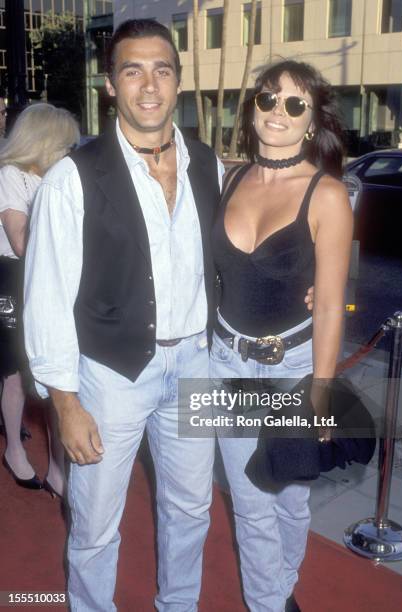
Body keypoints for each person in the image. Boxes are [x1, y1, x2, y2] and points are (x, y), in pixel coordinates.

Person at [24, 19, 222, 611]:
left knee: (191, 509)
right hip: (109, 375)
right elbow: (47, 296)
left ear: (179, 82)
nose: (149, 84)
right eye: (132, 70)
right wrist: (64, 401)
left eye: (162, 69)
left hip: (194, 366)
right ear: (111, 84)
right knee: (95, 523)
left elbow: (227, 258)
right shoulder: (72, 177)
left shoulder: (206, 165)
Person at [210, 59, 353, 612]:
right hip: (228, 364)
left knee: (291, 497)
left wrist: (320, 389)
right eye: (269, 99)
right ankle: (269, 602)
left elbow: (333, 304)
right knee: (250, 499)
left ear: (312, 120)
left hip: (293, 369)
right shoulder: (229, 178)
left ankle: (283, 583)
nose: (278, 112)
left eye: (295, 104)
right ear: (253, 107)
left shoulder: (327, 195)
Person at [0, 103, 79, 494]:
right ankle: (14, 449)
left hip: (50, 275)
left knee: (55, 373)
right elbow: (20, 241)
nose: (68, 151)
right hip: (13, 277)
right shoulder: (11, 176)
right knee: (16, 371)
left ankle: (59, 468)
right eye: (63, 144)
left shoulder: (58, 178)